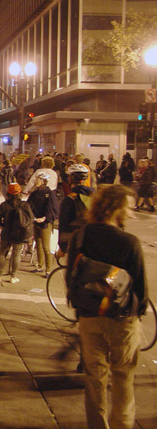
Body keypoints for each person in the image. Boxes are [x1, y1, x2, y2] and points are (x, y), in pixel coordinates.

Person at [66, 184, 148, 429]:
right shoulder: (129, 242)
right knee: (123, 376)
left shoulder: (82, 235)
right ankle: (122, 424)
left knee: (94, 377)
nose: (132, 212)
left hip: (90, 317)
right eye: (129, 207)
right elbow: (141, 289)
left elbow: (71, 277)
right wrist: (137, 313)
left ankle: (98, 425)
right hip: (122, 320)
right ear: (118, 208)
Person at [0, 183, 34, 283]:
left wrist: (2, 224)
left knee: (2, 253)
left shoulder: (4, 205)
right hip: (20, 233)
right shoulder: (25, 205)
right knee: (16, 254)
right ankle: (13, 277)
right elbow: (31, 218)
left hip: (7, 232)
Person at [58, 163, 95, 256]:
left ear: (69, 179)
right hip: (95, 242)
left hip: (78, 243)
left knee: (75, 269)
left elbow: (64, 225)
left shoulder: (69, 200)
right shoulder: (96, 197)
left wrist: (63, 247)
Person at [26, 172, 59, 277]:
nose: (36, 182)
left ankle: (48, 269)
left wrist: (45, 218)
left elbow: (53, 208)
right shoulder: (34, 193)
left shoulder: (49, 193)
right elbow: (28, 206)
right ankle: (40, 266)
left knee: (46, 246)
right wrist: (33, 218)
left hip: (45, 223)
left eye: (38, 180)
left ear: (43, 182)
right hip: (36, 222)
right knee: (38, 245)